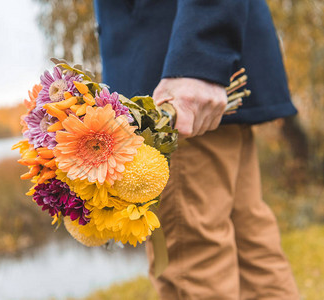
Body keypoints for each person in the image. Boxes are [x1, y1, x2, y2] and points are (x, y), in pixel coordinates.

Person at [93, 0, 300, 299]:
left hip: (175, 83)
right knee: (253, 252)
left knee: (193, 264)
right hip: (195, 63)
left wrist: (198, 60)